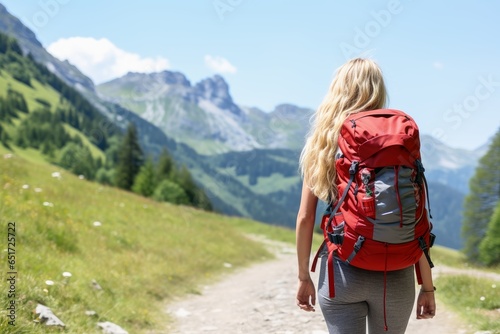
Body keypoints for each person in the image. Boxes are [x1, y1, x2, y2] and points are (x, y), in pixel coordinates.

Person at [295, 58, 436, 334]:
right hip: (395, 273)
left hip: (342, 270)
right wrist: (427, 286)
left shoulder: (323, 141)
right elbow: (414, 216)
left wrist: (303, 277)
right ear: (378, 90)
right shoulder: (400, 141)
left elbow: (305, 217)